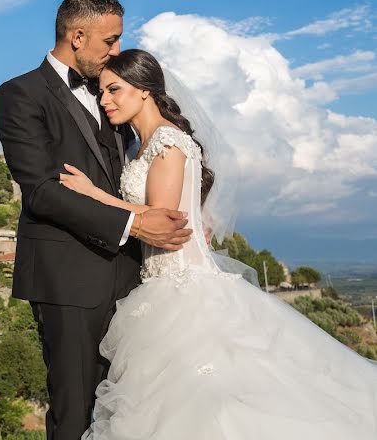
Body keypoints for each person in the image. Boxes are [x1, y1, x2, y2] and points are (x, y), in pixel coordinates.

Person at [58, 48, 377, 439]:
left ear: (143, 90)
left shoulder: (168, 144)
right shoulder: (141, 145)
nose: (104, 99)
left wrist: (94, 195)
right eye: (102, 92)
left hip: (183, 292)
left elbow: (160, 216)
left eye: (113, 90)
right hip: (158, 286)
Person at [0, 0, 193, 438]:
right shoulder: (20, 94)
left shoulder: (112, 94)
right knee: (76, 412)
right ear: (78, 36)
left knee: (129, 412)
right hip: (69, 281)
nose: (117, 51)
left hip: (138, 280)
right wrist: (135, 222)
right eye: (111, 41)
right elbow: (42, 191)